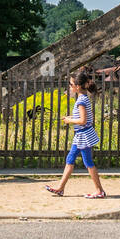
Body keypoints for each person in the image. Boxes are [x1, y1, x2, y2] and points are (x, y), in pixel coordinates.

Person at [44, 69, 105, 198]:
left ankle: (99, 191)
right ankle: (60, 188)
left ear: (77, 87)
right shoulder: (83, 98)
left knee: (88, 162)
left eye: (71, 84)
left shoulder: (81, 101)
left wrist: (69, 120)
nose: (70, 87)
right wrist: (71, 117)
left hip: (83, 135)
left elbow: (83, 120)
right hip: (81, 136)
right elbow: (86, 117)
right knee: (70, 159)